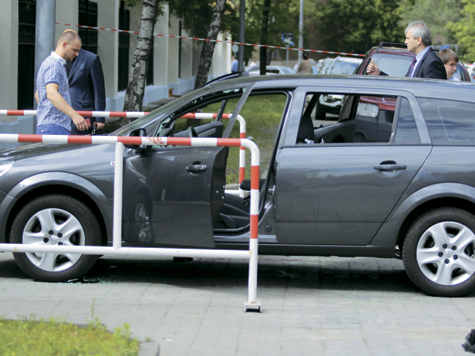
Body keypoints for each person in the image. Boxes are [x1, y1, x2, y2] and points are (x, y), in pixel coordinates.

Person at [35, 31, 89, 135]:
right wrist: (74, 115)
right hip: (55, 127)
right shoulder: (54, 66)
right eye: (74, 50)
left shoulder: (53, 64)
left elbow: (39, 94)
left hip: (51, 126)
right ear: (64, 44)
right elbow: (51, 93)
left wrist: (47, 111)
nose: (77, 54)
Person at [367, 21, 446, 79]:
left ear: (418, 40)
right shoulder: (417, 60)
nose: (405, 42)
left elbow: (433, 97)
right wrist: (378, 73)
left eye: (408, 38)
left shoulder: (432, 62)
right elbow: (403, 87)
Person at [63, 30, 106, 135]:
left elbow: (98, 90)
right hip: (62, 114)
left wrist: (99, 117)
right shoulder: (57, 61)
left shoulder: (90, 59)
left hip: (83, 113)